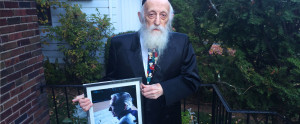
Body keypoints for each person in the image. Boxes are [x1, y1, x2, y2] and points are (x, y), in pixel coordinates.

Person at [72, 0, 201, 123]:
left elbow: (191, 80)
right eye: (151, 14)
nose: (157, 21)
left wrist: (163, 89)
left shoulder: (181, 42)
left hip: (166, 118)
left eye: (163, 15)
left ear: (170, 18)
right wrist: (90, 96)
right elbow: (111, 80)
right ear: (141, 17)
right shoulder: (119, 44)